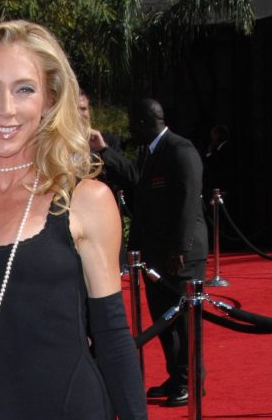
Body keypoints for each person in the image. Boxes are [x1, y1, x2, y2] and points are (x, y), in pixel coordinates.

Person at [0, 21, 146, 419]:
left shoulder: (85, 200)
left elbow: (112, 337)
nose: (6, 108)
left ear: (49, 101)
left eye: (24, 89)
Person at [100, 98, 208, 407]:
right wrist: (105, 154)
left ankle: (191, 381)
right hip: (155, 254)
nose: (131, 129)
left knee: (184, 322)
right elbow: (138, 188)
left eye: (133, 122)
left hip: (180, 255)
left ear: (146, 121)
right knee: (165, 320)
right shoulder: (148, 153)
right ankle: (177, 378)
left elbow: (189, 201)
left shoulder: (180, 149)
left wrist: (181, 247)